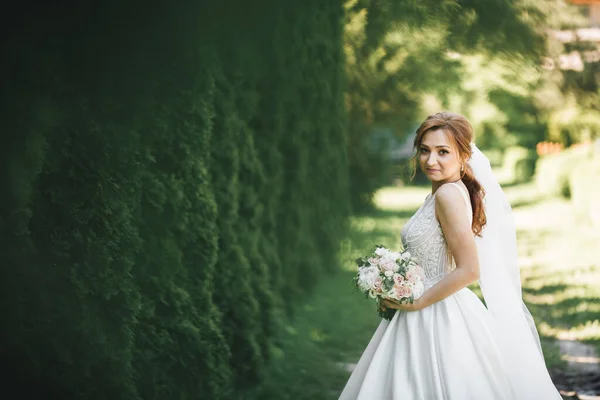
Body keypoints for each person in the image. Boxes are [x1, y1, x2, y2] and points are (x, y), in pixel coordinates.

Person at [338, 112, 562, 399]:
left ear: (463, 155)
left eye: (443, 152)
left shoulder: (447, 196)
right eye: (425, 151)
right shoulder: (443, 192)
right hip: (430, 305)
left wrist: (418, 301)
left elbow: (469, 269)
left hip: (435, 313)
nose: (431, 161)